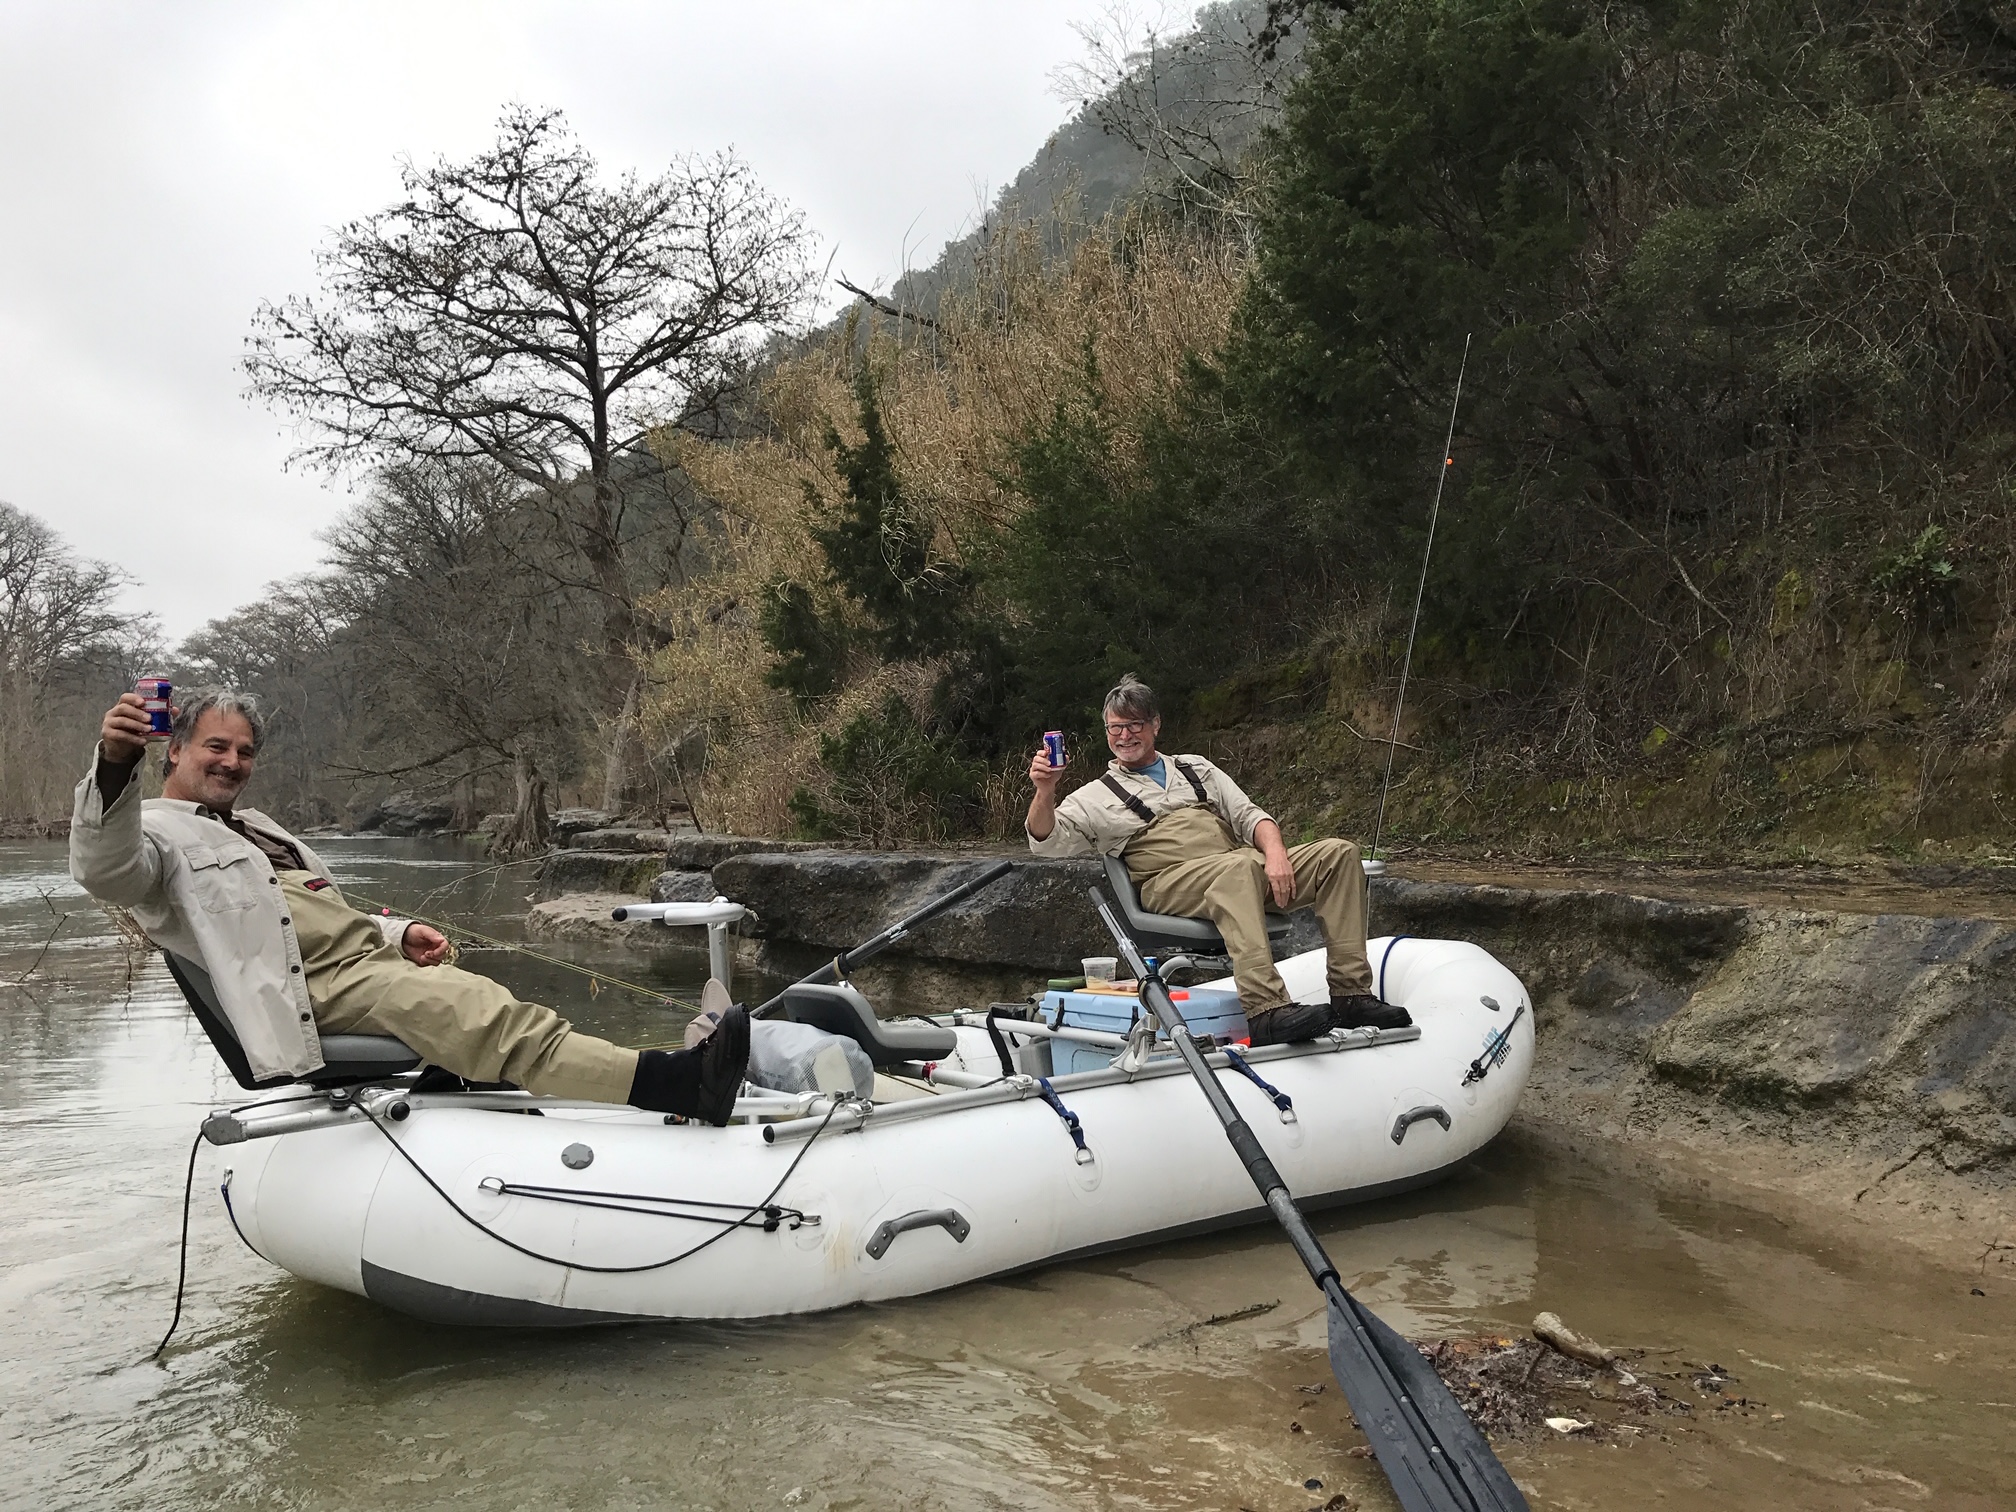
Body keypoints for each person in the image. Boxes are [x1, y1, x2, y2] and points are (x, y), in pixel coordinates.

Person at [69, 687, 748, 1121]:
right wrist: (113, 763)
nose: (232, 761)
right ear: (174, 750)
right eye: (216, 746)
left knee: (484, 994)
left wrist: (397, 935)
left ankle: (493, 1083)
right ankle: (674, 1084)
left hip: (366, 969)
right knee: (482, 1013)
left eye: (245, 751)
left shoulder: (260, 827)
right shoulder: (152, 831)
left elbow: (311, 916)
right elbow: (107, 871)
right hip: (317, 994)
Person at [1025, 674, 1410, 1047]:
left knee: (1338, 854)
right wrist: (1046, 790)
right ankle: (1266, 1012)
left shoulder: (1196, 768)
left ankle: (1351, 995)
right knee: (1239, 868)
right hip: (1169, 883)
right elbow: (1045, 841)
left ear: (1155, 724)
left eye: (1134, 725)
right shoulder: (1094, 796)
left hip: (1235, 867)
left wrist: (1275, 854)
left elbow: (1250, 815)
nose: (1124, 736)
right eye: (1115, 728)